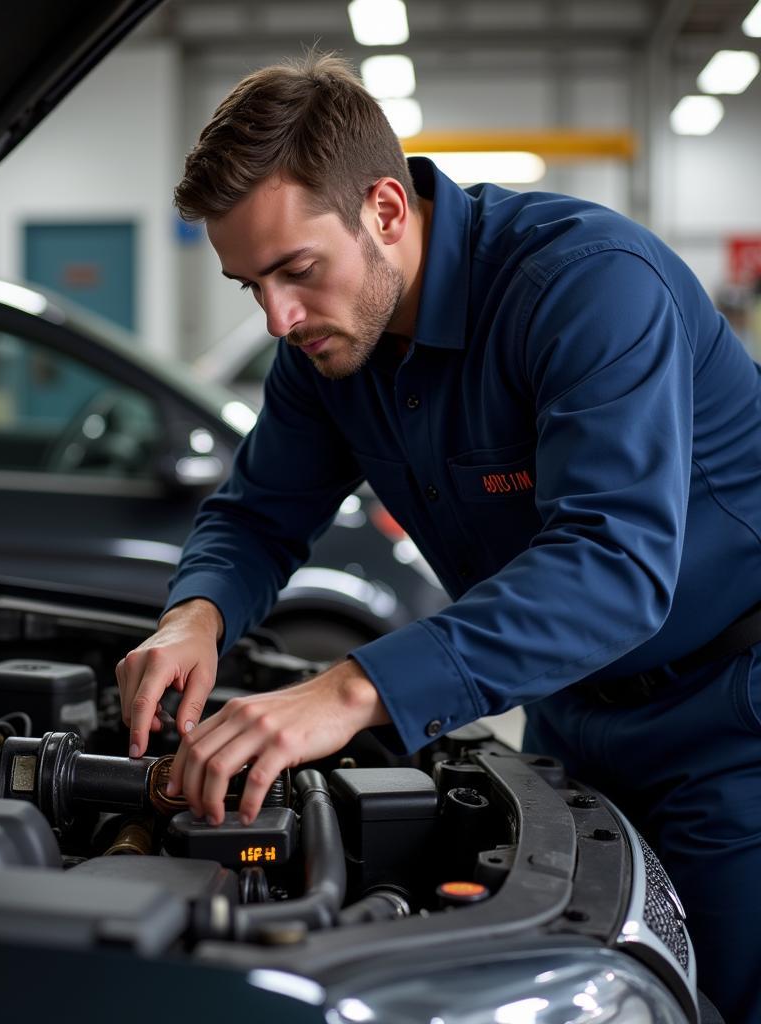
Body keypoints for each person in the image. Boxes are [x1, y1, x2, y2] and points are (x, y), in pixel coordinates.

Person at [114, 53, 761, 1021]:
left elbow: (612, 566)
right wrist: (194, 616)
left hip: (732, 720)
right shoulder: (328, 344)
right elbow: (257, 512)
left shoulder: (584, 287)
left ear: (383, 208)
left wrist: (350, 689)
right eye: (250, 284)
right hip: (572, 709)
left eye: (295, 270)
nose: (278, 317)